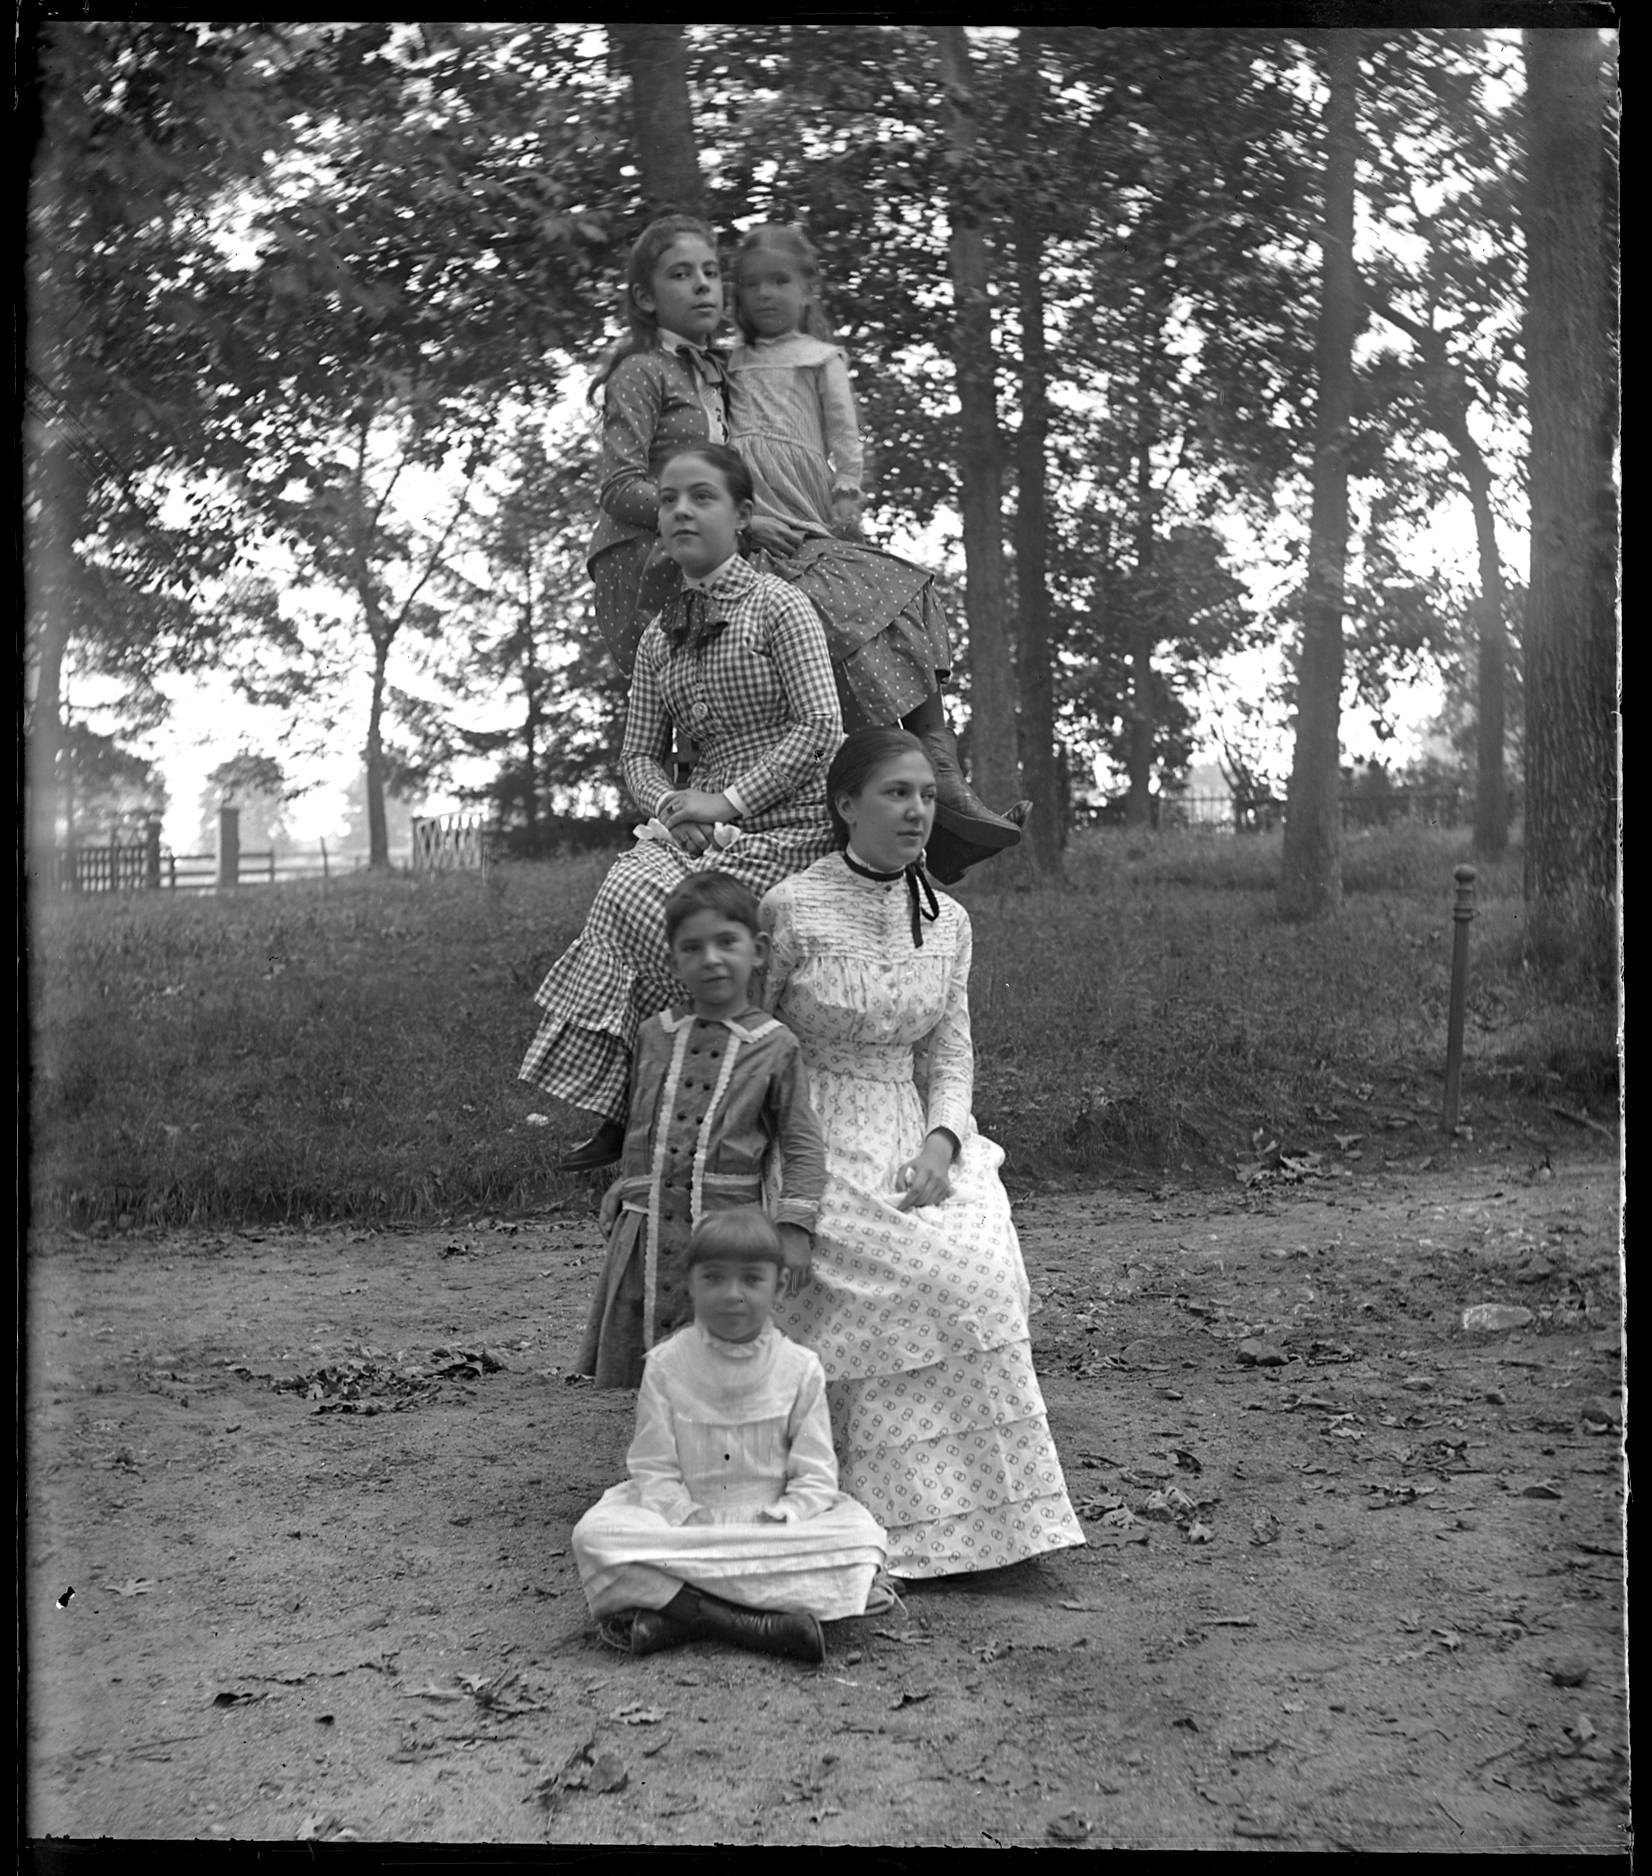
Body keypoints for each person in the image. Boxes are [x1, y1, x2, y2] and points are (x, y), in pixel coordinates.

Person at [583, 212, 1023, 883]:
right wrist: (742, 523)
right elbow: (619, 486)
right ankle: (904, 798)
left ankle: (934, 782)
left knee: (885, 589)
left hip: (723, 542)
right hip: (650, 562)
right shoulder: (644, 371)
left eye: (710, 273)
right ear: (646, 298)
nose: (704, 286)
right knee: (827, 610)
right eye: (680, 275)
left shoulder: (724, 368)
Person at [761, 728, 1086, 1579]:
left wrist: (944, 1141)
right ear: (846, 807)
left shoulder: (949, 922)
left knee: (980, 1272)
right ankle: (882, 1517)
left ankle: (993, 1521)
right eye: (896, 794)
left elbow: (950, 1053)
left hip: (916, 1129)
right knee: (912, 1277)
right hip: (813, 1132)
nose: (916, 812)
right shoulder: (790, 908)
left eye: (927, 796)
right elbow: (753, 1040)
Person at [520, 440, 840, 1172]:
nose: (681, 511)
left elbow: (821, 728)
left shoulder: (779, 608)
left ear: (743, 515)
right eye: (668, 499)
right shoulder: (660, 634)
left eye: (702, 497)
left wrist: (726, 800)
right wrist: (673, 805)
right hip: (698, 827)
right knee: (627, 886)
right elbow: (636, 753)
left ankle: (698, 1084)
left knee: (652, 897)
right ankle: (640, 1091)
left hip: (788, 822)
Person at [570, 1207, 891, 1664]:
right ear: (691, 1283)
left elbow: (817, 1471)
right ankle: (762, 1625)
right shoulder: (665, 1365)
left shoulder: (800, 1368)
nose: (733, 1295)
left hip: (771, 1527)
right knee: (596, 1537)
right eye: (714, 1279)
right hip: (686, 1524)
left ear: (779, 1285)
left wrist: (790, 1513)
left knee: (860, 1539)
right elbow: (653, 1466)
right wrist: (683, 1514)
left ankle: (680, 1612)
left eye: (752, 1280)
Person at [576, 871, 827, 1388]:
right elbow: (643, 1126)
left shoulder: (775, 1045)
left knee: (723, 1365)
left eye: (726, 943)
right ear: (674, 962)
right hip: (649, 1232)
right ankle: (663, 1460)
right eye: (693, 948)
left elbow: (801, 1142)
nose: (711, 959)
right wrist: (626, 1185)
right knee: (653, 1366)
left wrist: (795, 1227)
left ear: (756, 950)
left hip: (726, 1232)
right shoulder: (654, 1034)